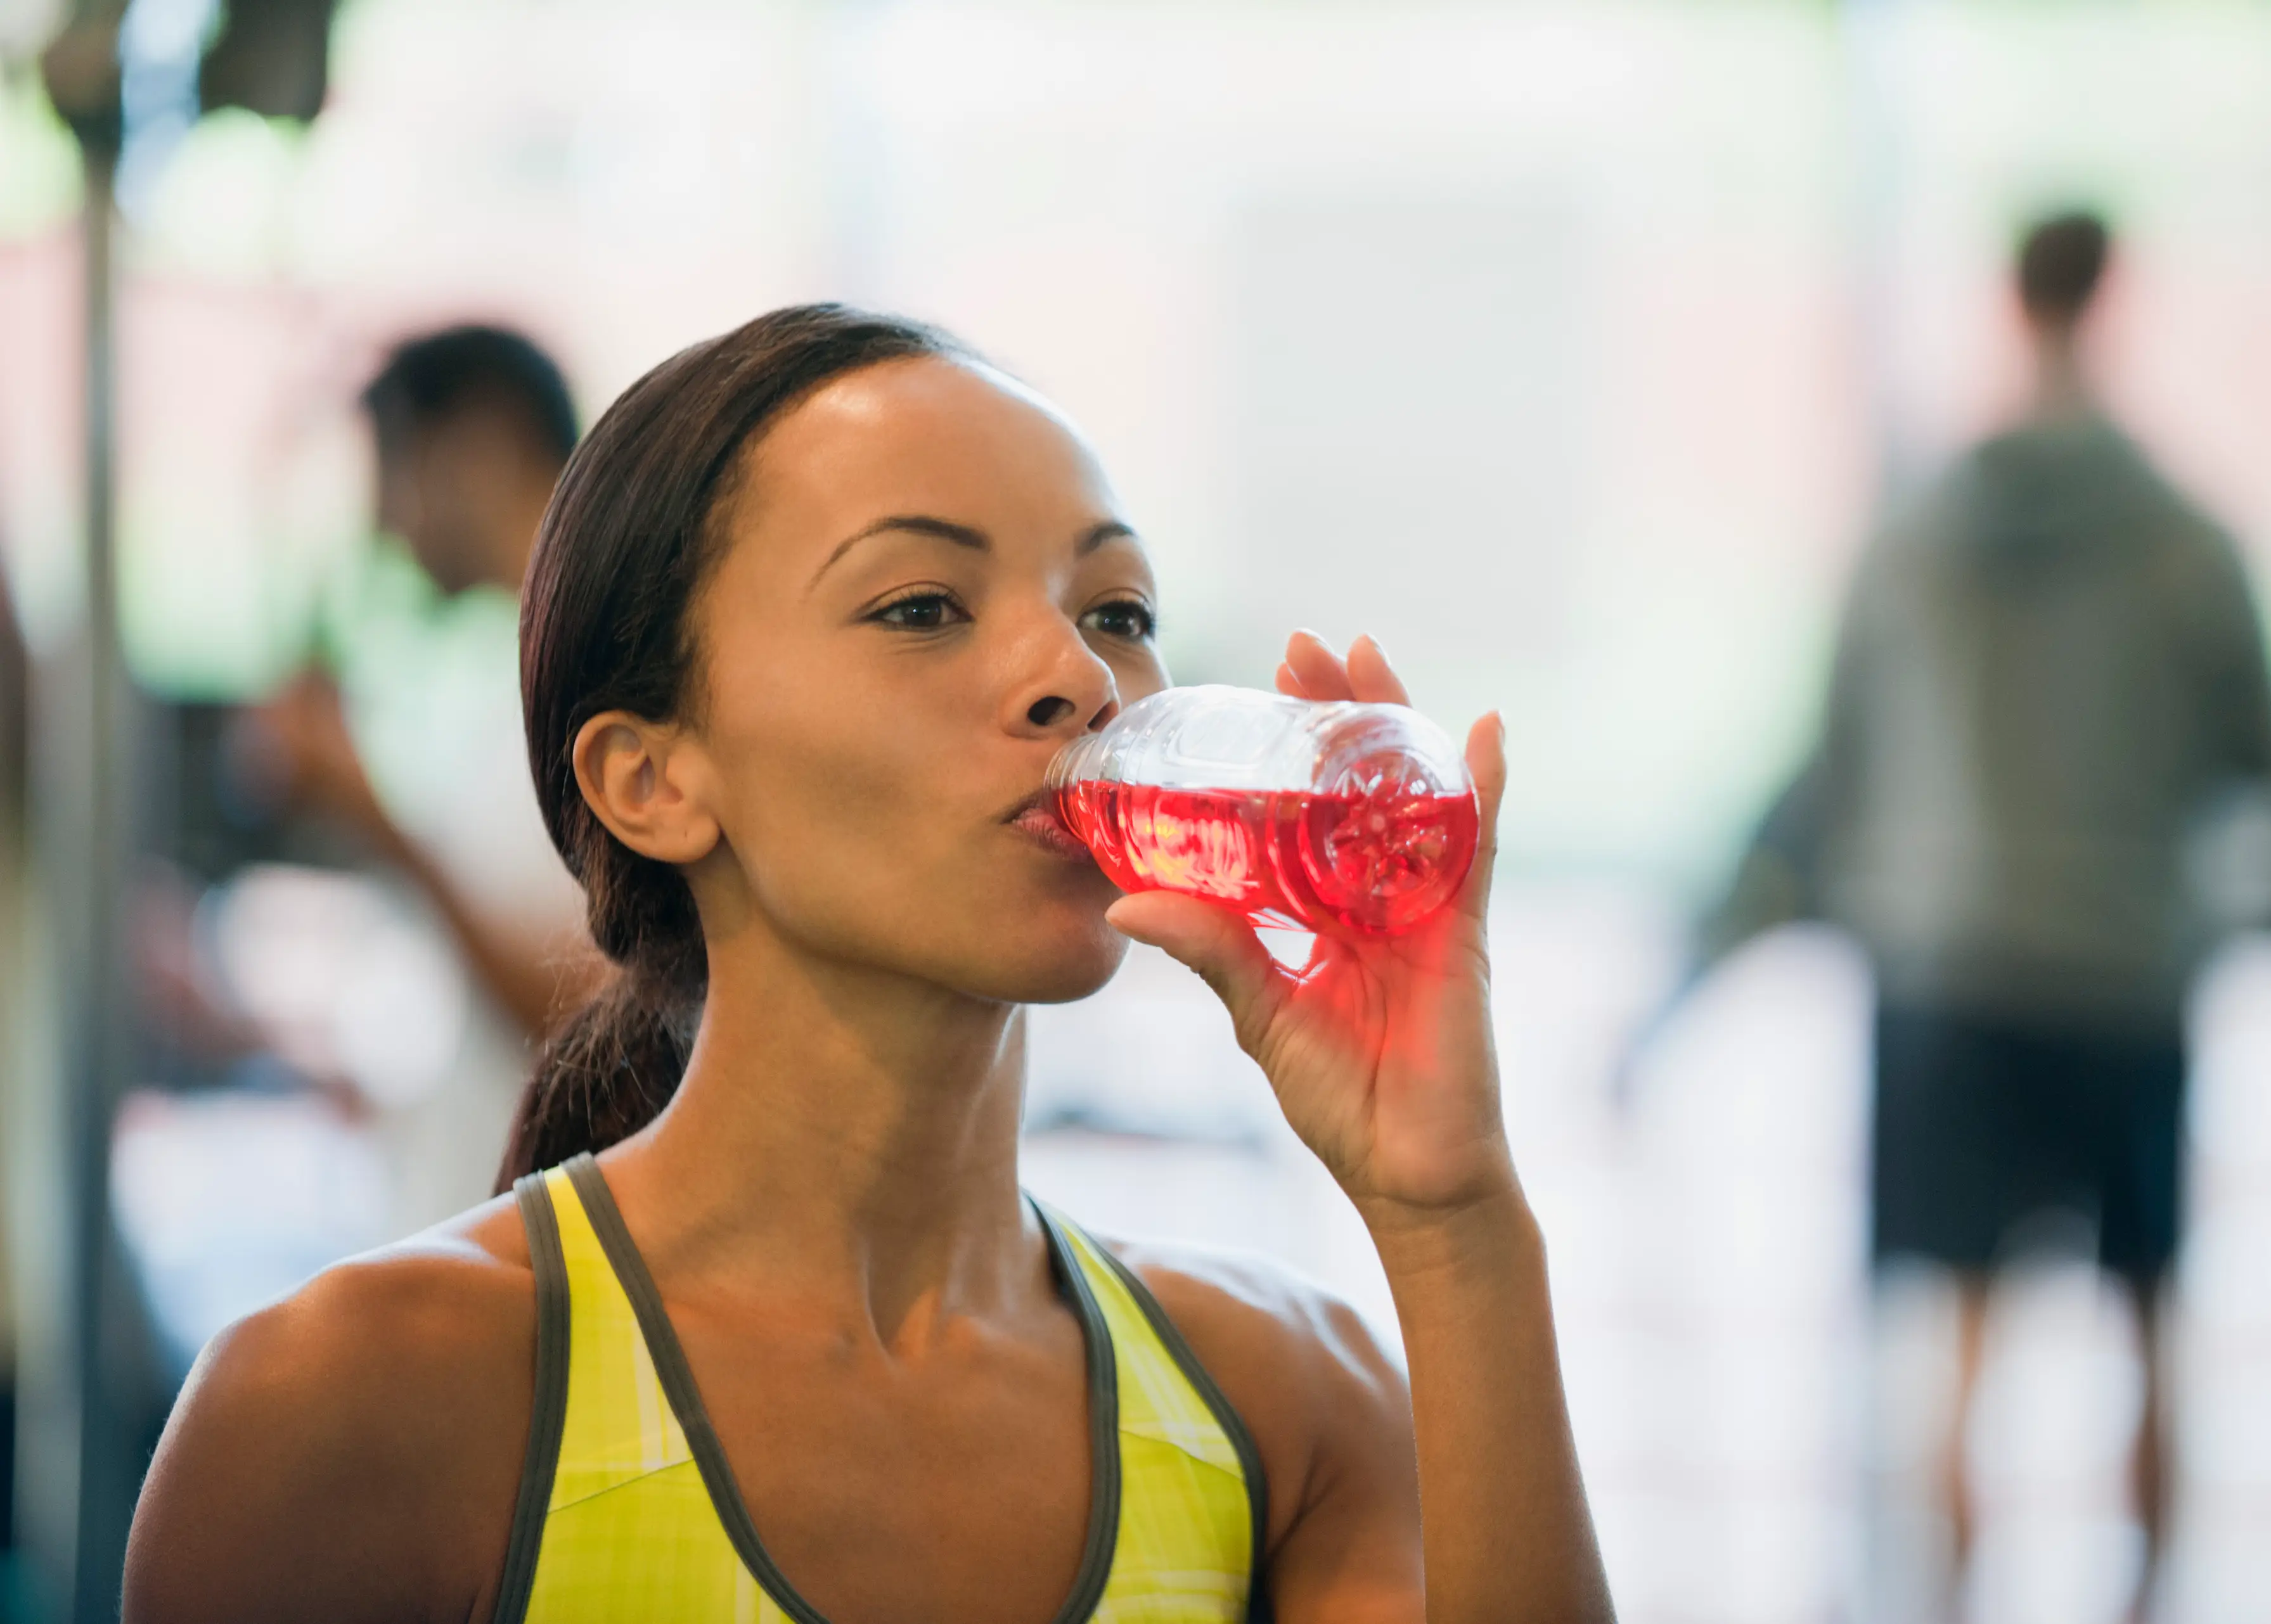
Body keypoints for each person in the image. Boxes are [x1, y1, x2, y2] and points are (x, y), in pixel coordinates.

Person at [119, 305, 1614, 1623]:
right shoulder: (353, 1413)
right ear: (653, 780)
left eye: (1119, 613)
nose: (1082, 679)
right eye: (920, 607)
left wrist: (1453, 1222)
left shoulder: (1288, 1406)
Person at [1809, 211, 2271, 1620]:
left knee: (1953, 1348)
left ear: (2008, 302)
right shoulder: (2190, 542)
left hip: (1949, 965)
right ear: (2112, 297)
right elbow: (2256, 759)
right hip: (2125, 969)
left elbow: (1841, 760)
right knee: (2152, 1326)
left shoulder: (1911, 537)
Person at [238, 326, 603, 1227]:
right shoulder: (514, 692)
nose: (383, 521)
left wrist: (377, 820)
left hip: (540, 1267)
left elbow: (591, 1023)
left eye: (396, 467)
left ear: (477, 450)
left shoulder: (602, 692)